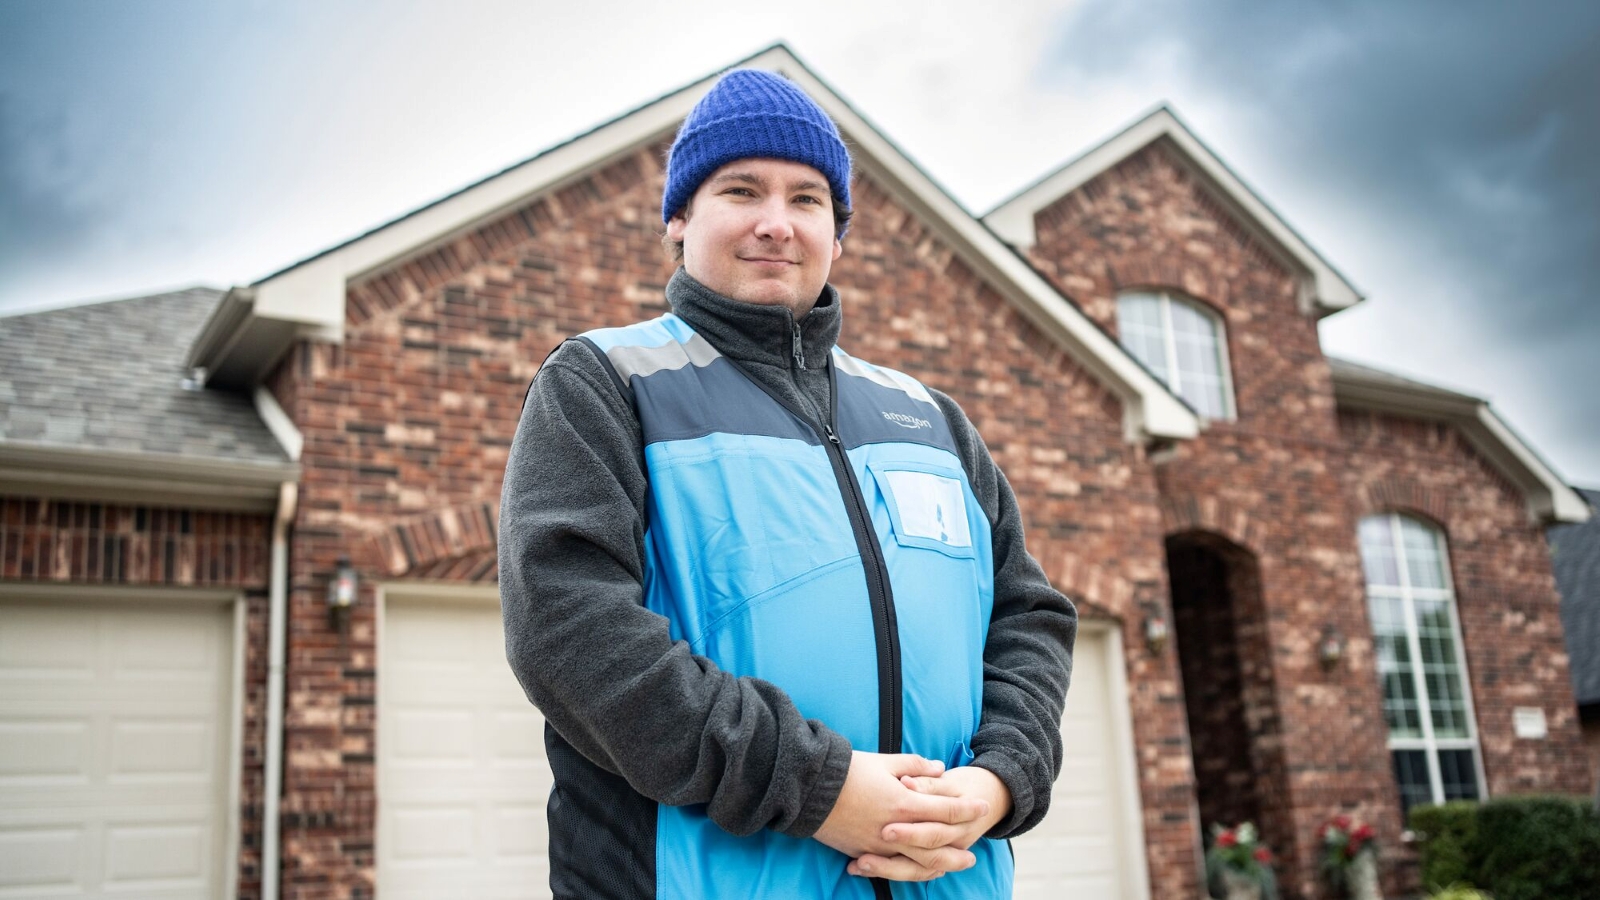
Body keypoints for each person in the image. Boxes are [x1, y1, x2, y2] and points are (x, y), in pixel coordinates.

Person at [499, 68, 1077, 899]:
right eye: (742, 190)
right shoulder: (607, 382)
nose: (776, 224)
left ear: (837, 235)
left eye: (807, 200)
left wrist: (999, 781)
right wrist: (821, 790)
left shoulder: (931, 419)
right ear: (678, 218)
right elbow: (568, 632)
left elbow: (1029, 616)